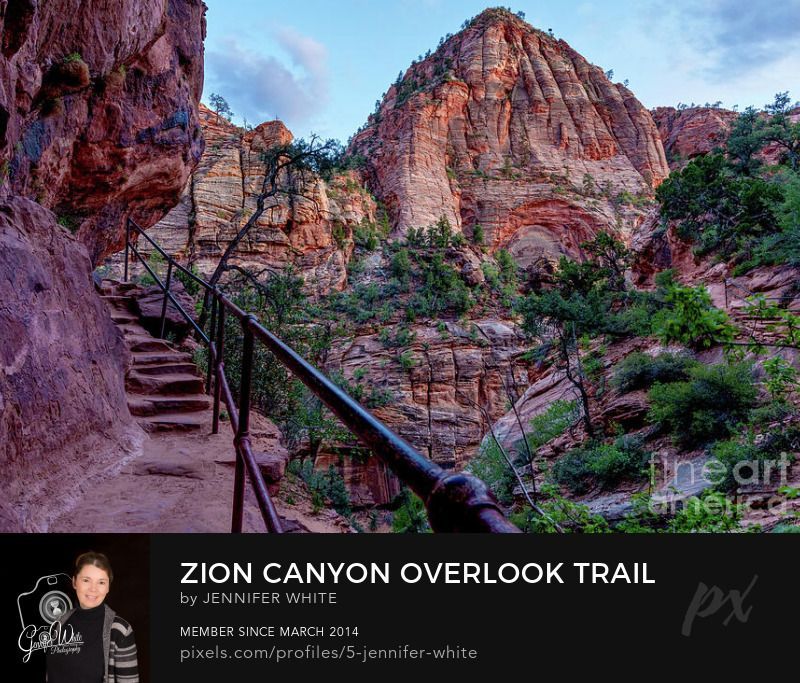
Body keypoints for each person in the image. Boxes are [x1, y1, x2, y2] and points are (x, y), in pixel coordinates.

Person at [46, 552, 139, 683]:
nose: (93, 589)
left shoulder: (120, 630)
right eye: (86, 580)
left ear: (108, 587)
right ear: (74, 582)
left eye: (101, 582)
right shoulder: (61, 622)